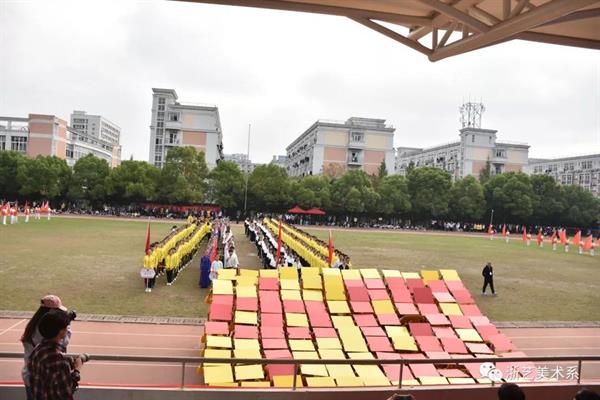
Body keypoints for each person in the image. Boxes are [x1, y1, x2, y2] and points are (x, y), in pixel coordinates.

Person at [21, 295, 72, 400]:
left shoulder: (33, 325)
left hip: (31, 376)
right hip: (45, 378)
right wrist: (66, 327)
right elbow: (62, 344)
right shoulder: (48, 334)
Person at [28, 309, 83, 400]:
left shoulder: (37, 350)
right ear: (61, 332)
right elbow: (66, 392)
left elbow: (48, 376)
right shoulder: (57, 359)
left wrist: (66, 364)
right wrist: (77, 370)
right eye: (66, 327)